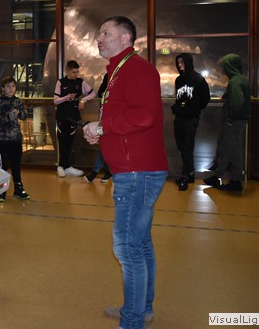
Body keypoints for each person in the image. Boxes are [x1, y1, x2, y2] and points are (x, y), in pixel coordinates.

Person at [82, 16, 168, 329]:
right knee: (140, 243)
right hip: (134, 169)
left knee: (127, 247)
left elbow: (144, 116)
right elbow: (125, 116)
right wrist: (102, 132)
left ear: (125, 37)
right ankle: (141, 308)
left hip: (137, 172)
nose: (99, 38)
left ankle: (132, 322)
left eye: (105, 33)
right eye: (99, 34)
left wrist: (102, 126)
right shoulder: (118, 70)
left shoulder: (137, 69)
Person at [204, 53, 251, 192]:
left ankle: (236, 181)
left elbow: (237, 102)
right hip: (238, 120)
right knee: (227, 148)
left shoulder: (235, 81)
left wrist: (231, 118)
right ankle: (218, 175)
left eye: (224, 66)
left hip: (234, 121)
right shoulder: (241, 79)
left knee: (233, 150)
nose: (222, 69)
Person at [171, 53, 211, 191]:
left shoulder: (198, 79)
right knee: (181, 145)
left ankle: (185, 175)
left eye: (182, 62)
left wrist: (195, 108)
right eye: (178, 63)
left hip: (191, 118)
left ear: (188, 62)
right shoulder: (178, 80)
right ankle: (190, 173)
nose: (180, 65)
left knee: (187, 146)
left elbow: (205, 98)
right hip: (179, 117)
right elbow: (178, 97)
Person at [54, 60, 97, 177]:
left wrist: (83, 100)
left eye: (77, 72)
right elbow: (55, 100)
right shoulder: (61, 82)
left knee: (70, 142)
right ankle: (61, 166)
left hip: (74, 116)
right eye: (74, 72)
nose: (76, 74)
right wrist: (67, 97)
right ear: (67, 70)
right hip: (62, 116)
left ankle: (67, 166)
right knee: (62, 141)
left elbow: (93, 93)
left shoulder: (80, 82)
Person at [0, 76, 30, 202]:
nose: (11, 89)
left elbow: (24, 116)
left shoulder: (18, 101)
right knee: (3, 165)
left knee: (16, 165)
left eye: (13, 86)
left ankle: (18, 188)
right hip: (3, 139)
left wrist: (20, 112)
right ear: (3, 88)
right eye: (8, 86)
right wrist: (8, 116)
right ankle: (2, 191)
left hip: (16, 138)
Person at [84, 72, 112, 183]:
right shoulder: (108, 75)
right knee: (104, 144)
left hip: (114, 117)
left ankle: (97, 171)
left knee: (106, 144)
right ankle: (104, 171)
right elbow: (100, 92)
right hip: (104, 114)